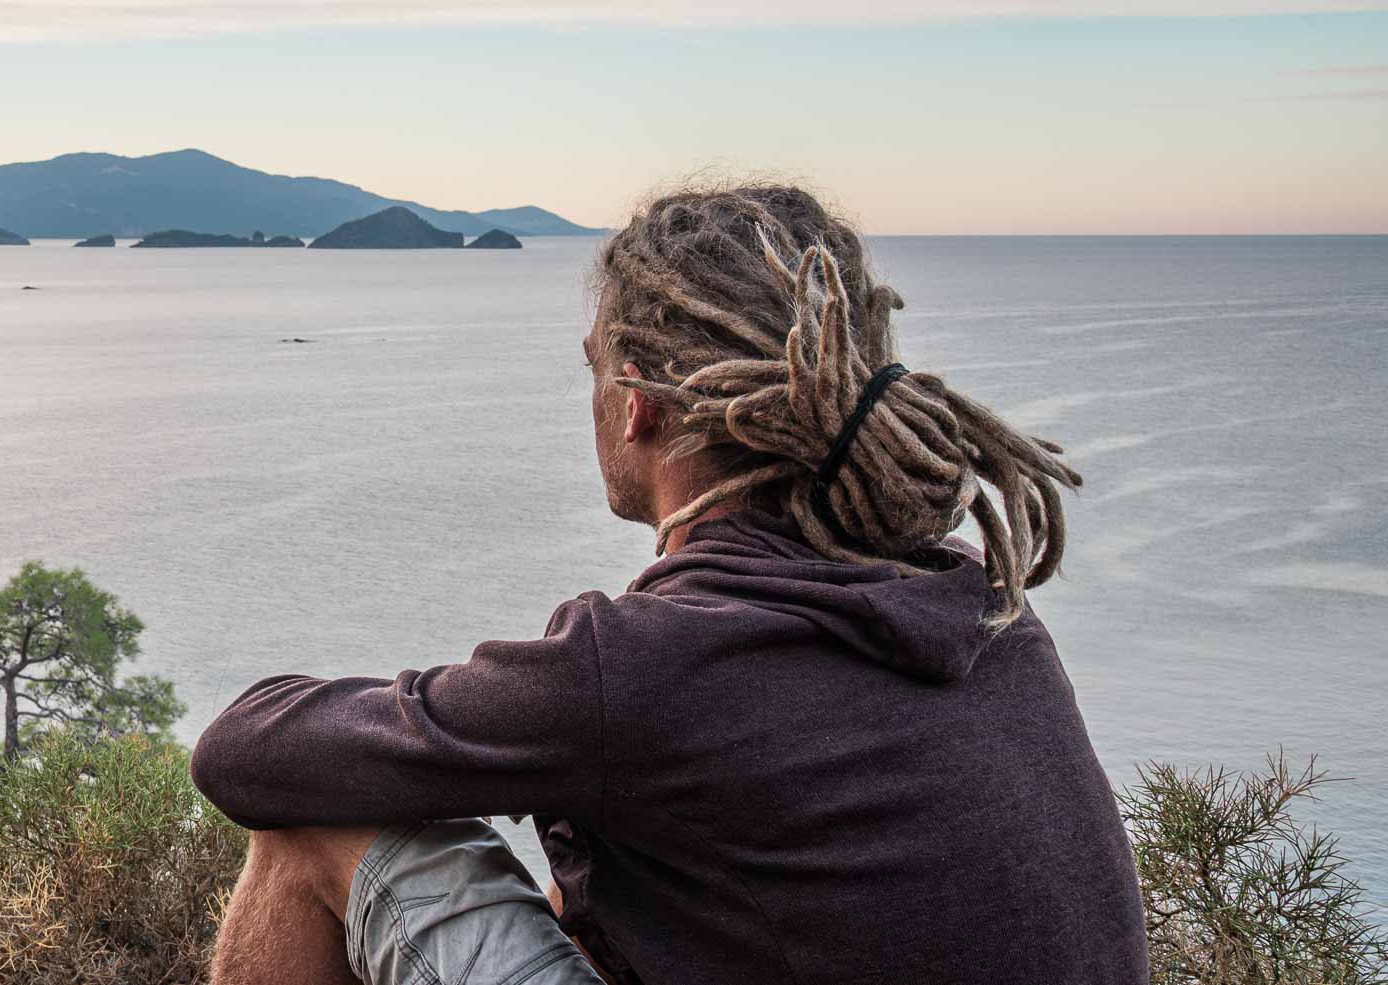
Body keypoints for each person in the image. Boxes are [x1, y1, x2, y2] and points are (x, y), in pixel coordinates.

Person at [189, 185, 1148, 985]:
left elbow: (241, 753)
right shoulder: (983, 608)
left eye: (596, 372)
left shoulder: (650, 663)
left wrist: (494, 740)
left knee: (310, 827)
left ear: (638, 399)